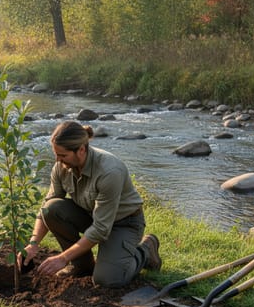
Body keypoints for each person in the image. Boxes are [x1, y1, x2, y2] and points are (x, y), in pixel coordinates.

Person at [20, 121, 161, 288]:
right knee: (52, 209)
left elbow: (101, 229)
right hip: (91, 215)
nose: (57, 160)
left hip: (124, 223)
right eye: (56, 154)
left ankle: (145, 250)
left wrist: (63, 258)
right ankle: (82, 266)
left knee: (107, 280)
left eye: (62, 155)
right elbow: (46, 207)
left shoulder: (109, 171)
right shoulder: (61, 166)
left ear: (81, 150)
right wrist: (33, 244)